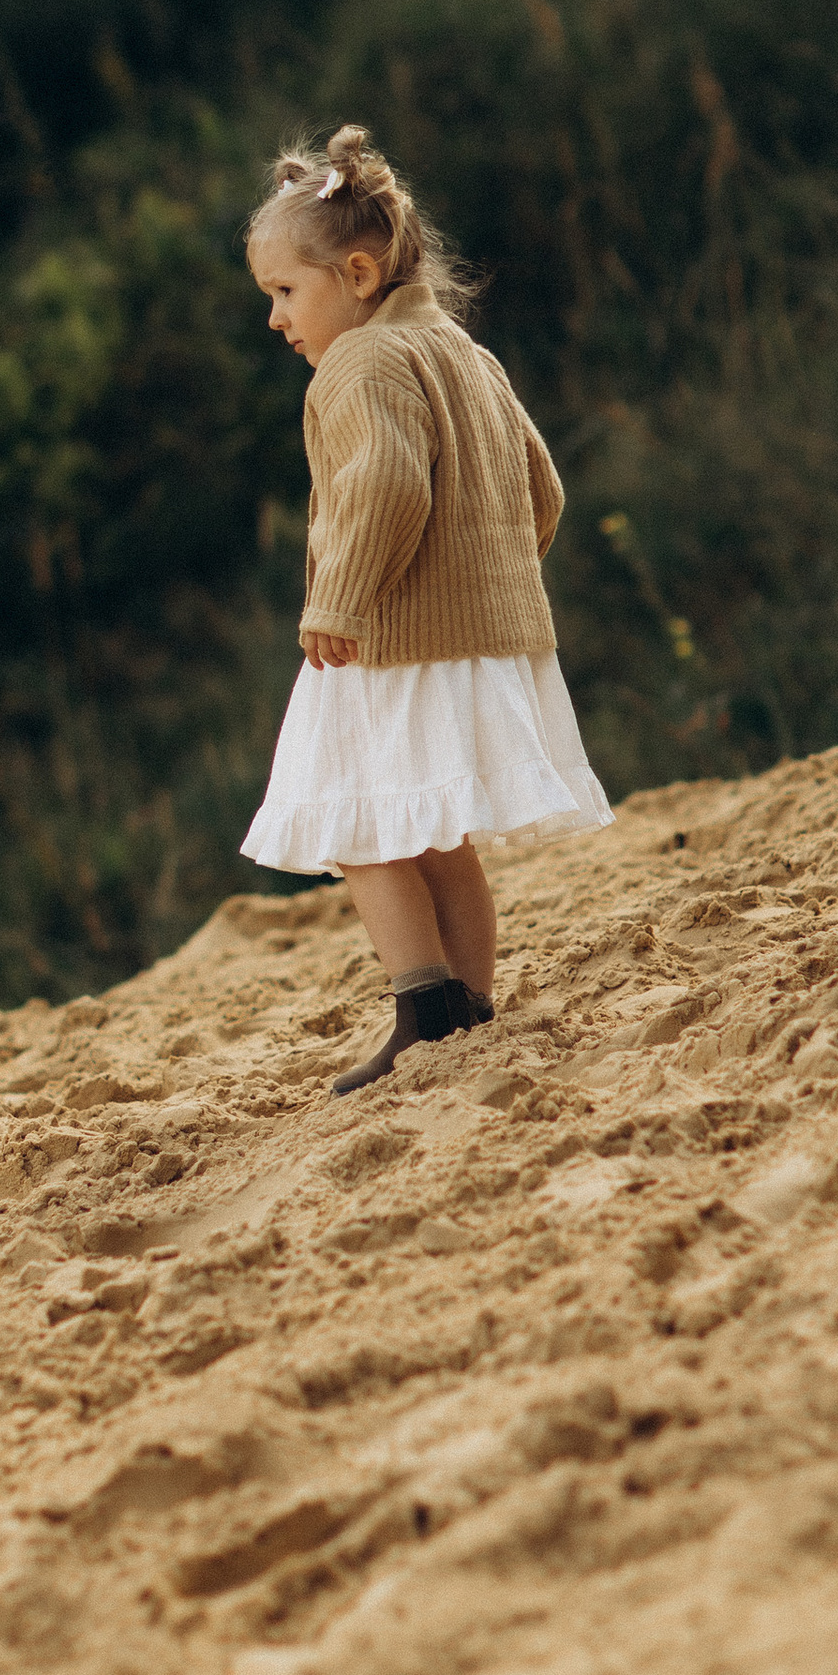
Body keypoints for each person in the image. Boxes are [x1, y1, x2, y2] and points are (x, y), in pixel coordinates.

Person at [241, 125, 611, 1092]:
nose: (277, 319)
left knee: (360, 832)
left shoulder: (359, 366)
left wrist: (342, 597)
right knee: (441, 841)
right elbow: (544, 491)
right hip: (480, 640)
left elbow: (389, 488)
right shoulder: (461, 351)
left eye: (286, 292)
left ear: (358, 273)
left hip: (385, 643)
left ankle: (422, 1006)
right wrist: (485, 581)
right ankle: (471, 1013)